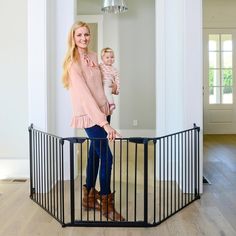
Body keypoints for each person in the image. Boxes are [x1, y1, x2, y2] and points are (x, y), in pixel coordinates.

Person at [61, 21, 124, 221]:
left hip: (103, 111)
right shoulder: (73, 63)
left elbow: (101, 82)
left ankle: (88, 197)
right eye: (79, 35)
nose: (83, 38)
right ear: (73, 37)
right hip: (91, 116)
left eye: (86, 34)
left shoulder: (95, 56)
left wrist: (112, 87)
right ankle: (106, 205)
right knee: (107, 157)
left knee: (95, 156)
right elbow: (85, 97)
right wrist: (104, 124)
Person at [99, 48, 120, 123]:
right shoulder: (100, 66)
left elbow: (117, 80)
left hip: (108, 83)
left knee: (107, 89)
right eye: (107, 57)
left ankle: (111, 104)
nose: (110, 59)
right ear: (102, 58)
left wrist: (117, 89)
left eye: (112, 57)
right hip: (101, 84)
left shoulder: (114, 70)